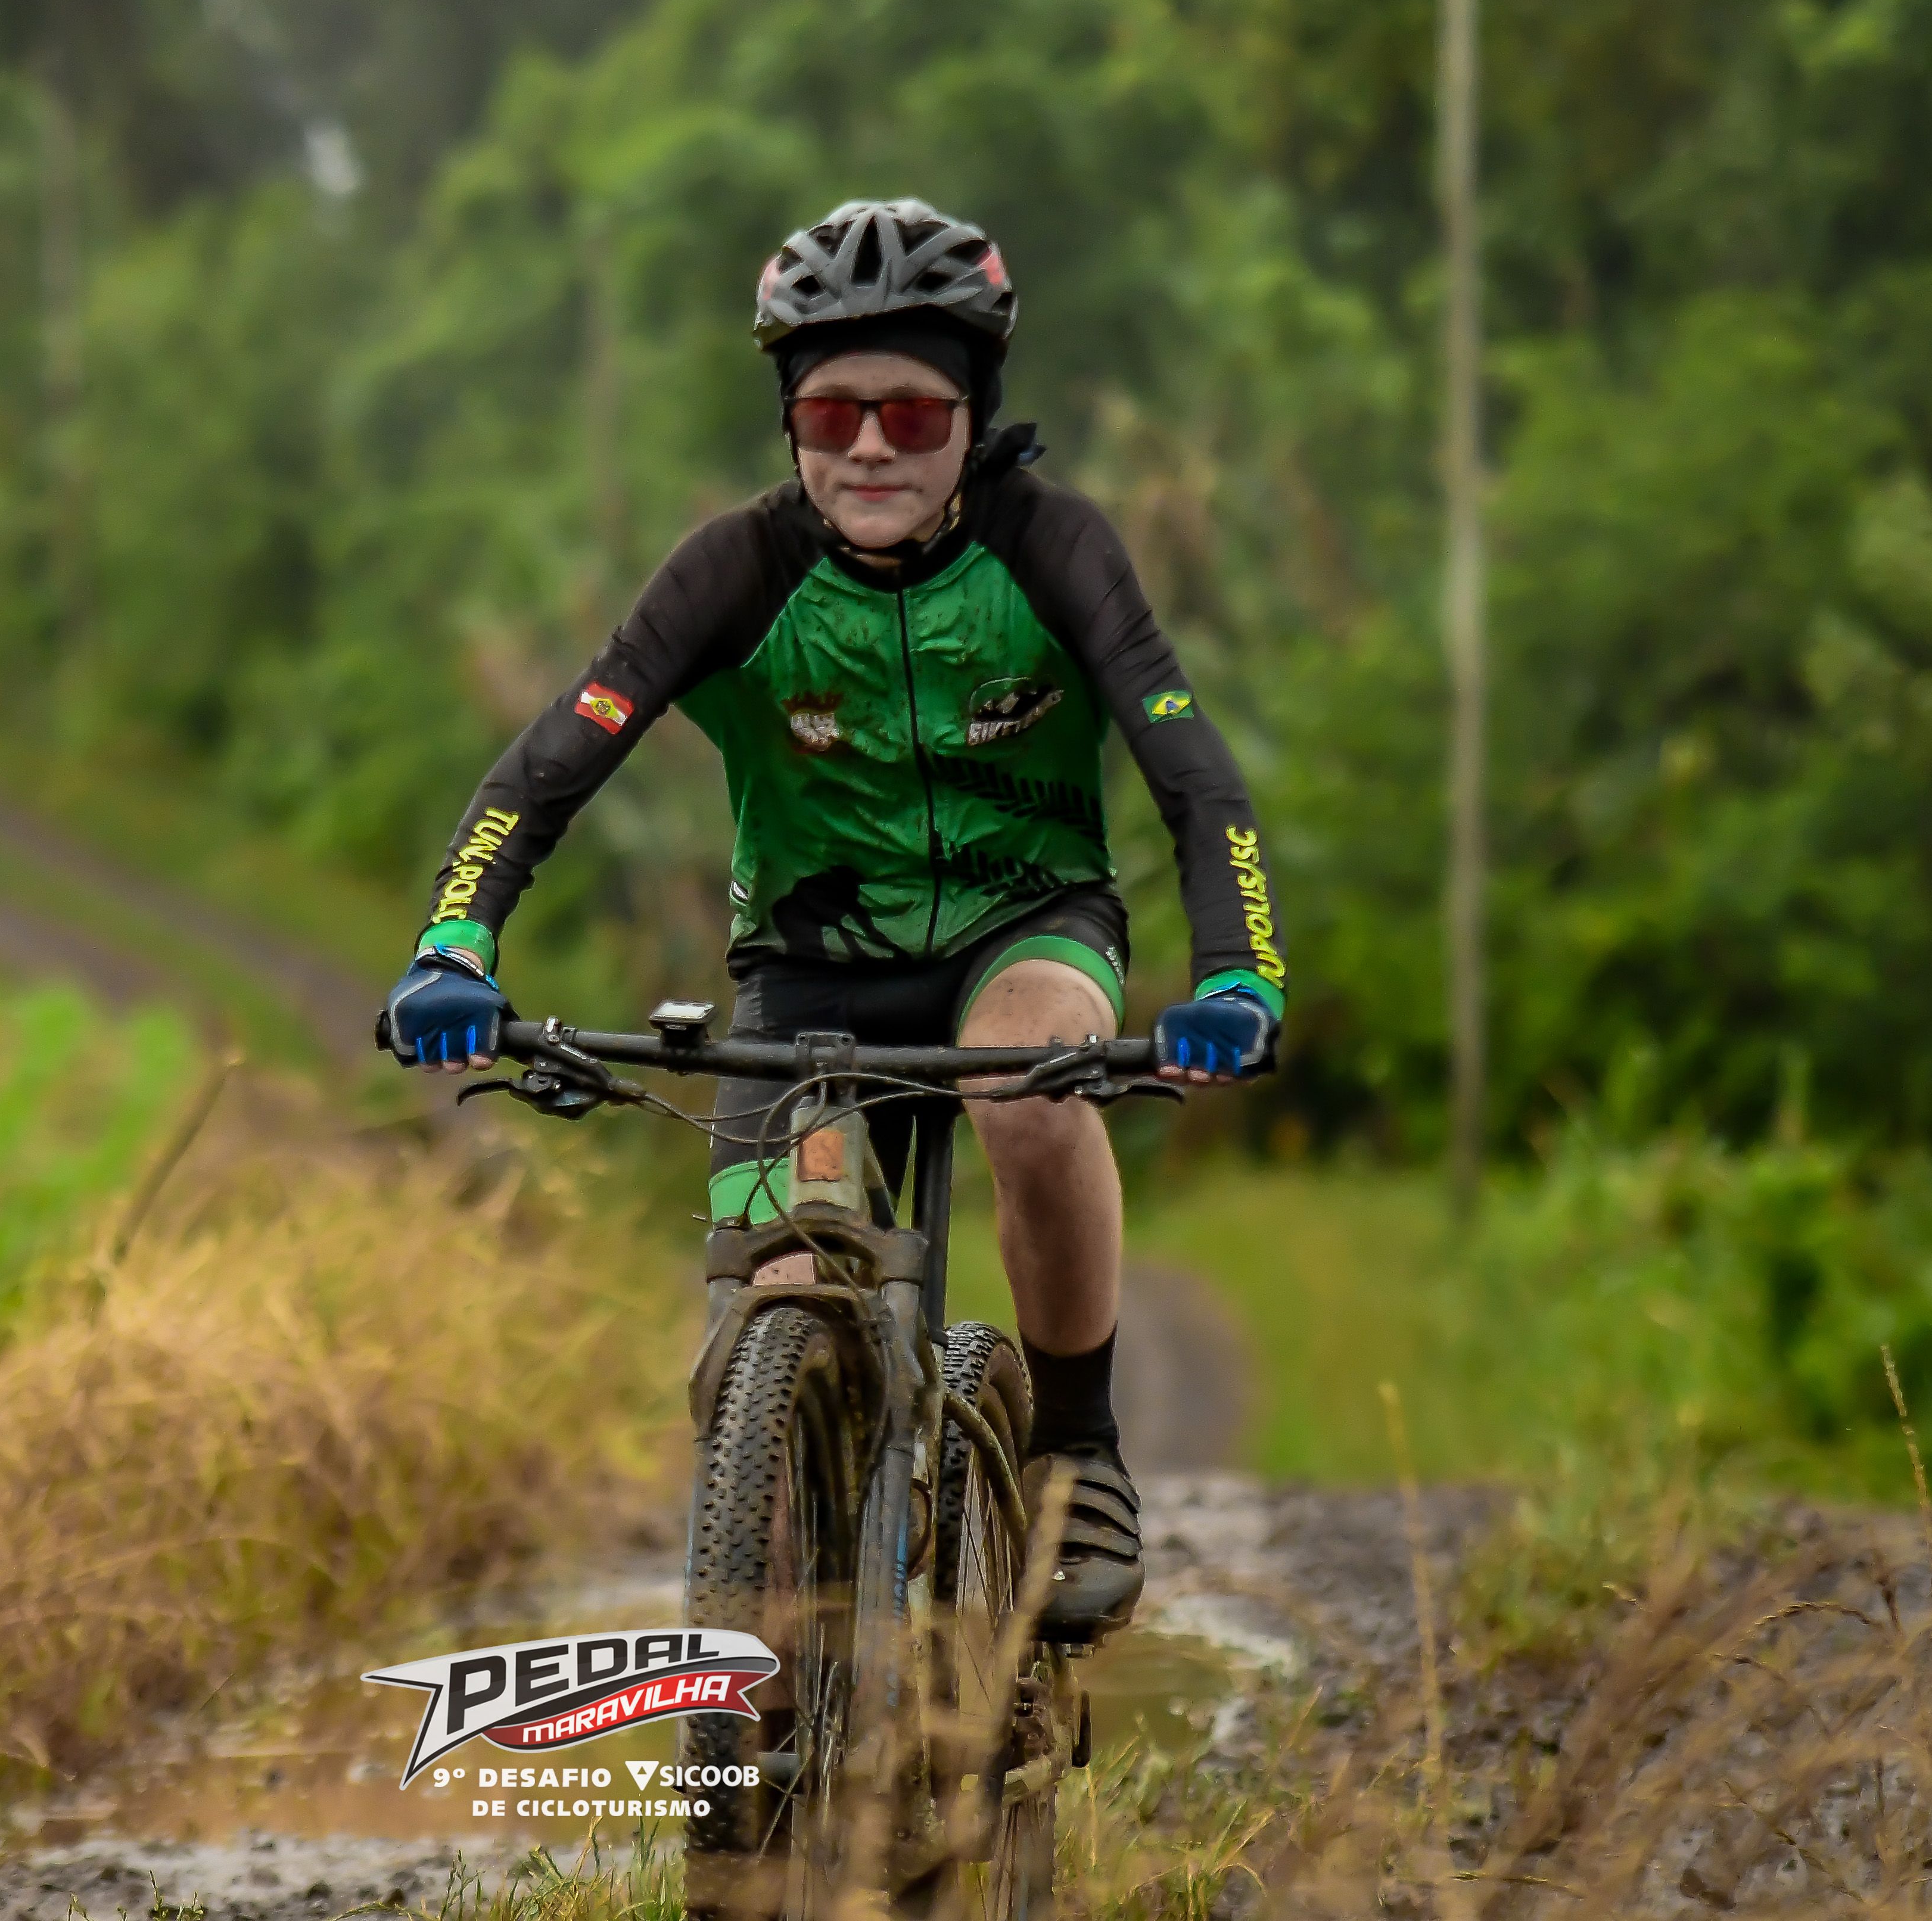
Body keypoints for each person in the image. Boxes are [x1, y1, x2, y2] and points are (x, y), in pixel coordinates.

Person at [381, 198, 1287, 1643]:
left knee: (1028, 1091)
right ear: (790, 422)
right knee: (776, 1285)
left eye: (914, 414)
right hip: (809, 977)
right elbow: (552, 761)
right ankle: (782, 1622)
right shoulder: (734, 568)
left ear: (973, 418)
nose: (871, 446)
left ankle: (1075, 1452)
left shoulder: (1053, 545)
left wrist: (1239, 973)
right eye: (831, 411)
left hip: (1025, 926)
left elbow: (1193, 771)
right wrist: (455, 945)